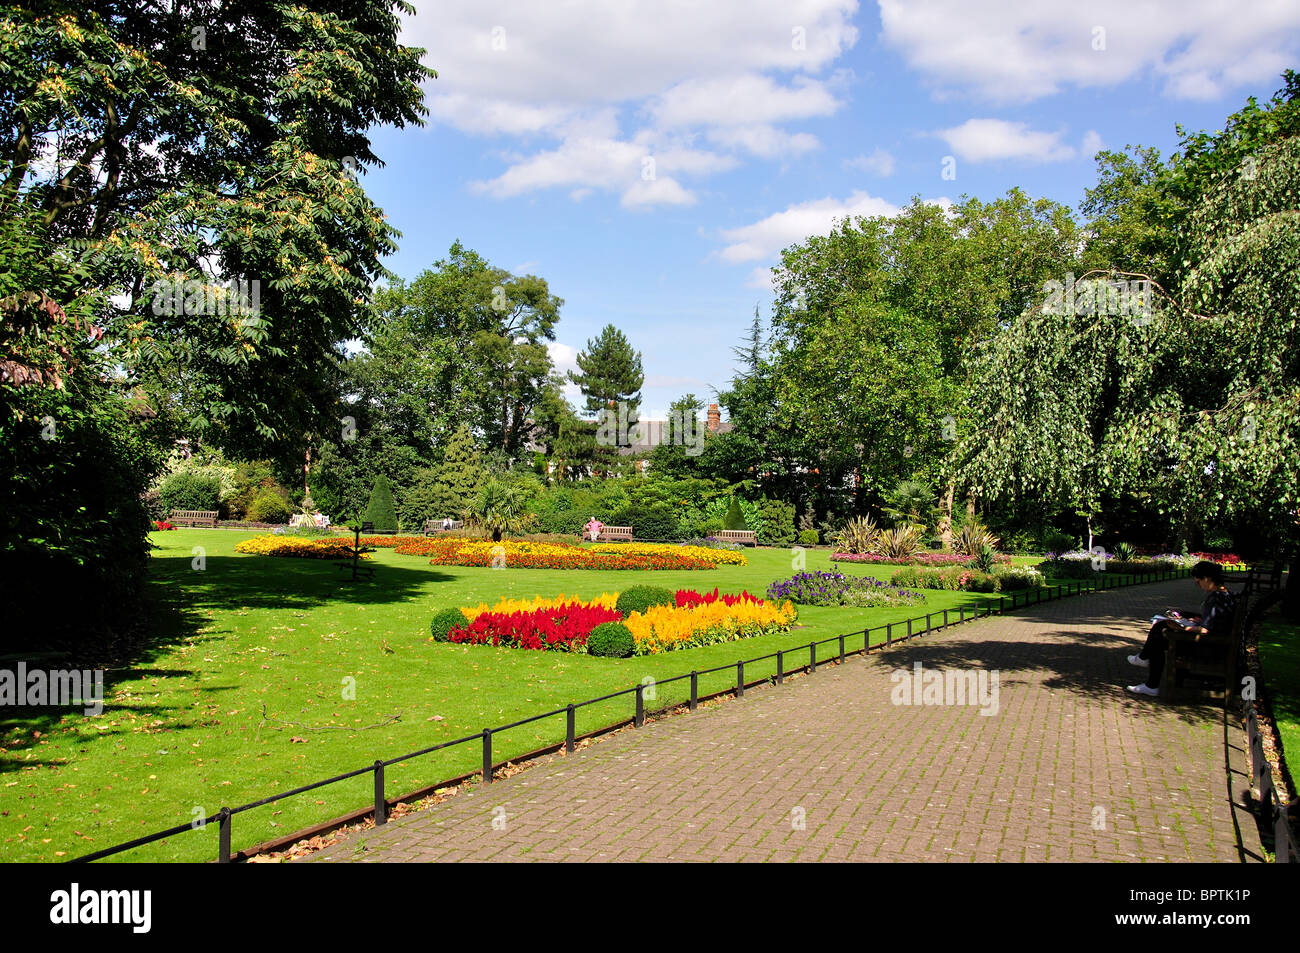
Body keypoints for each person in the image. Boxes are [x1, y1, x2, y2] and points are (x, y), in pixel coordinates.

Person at [1126, 560, 1236, 696]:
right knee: (1161, 628)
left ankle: (1149, 676)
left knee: (1160, 633)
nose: (1199, 585)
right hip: (1216, 643)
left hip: (1209, 648)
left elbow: (1205, 630)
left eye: (1198, 582)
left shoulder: (1216, 598)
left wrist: (1182, 628)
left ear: (1207, 578)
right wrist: (1196, 620)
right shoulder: (1224, 594)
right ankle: (1146, 668)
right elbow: (1215, 621)